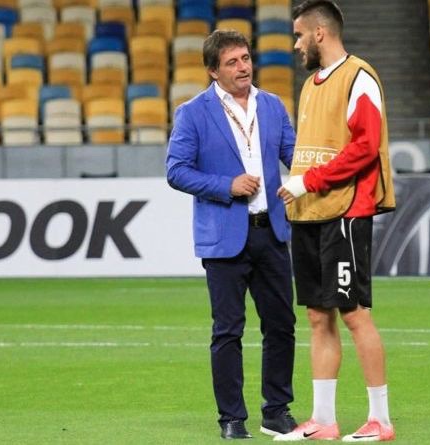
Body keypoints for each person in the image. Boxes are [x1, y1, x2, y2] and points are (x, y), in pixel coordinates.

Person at [274, 1, 397, 442]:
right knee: (316, 315)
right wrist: (300, 187)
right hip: (309, 212)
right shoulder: (311, 85)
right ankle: (323, 419)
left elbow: (365, 146)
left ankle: (380, 420)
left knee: (354, 314)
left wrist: (308, 181)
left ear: (319, 33)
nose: (295, 44)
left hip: (346, 210)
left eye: (299, 35)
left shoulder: (359, 77)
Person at [166, 29, 298, 440]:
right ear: (213, 71)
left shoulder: (272, 105)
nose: (243, 67)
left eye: (245, 58)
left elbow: (296, 156)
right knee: (228, 330)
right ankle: (231, 418)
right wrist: (227, 185)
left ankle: (276, 411)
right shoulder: (193, 113)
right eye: (232, 62)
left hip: (271, 233)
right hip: (224, 237)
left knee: (281, 325)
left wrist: (312, 178)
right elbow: (176, 171)